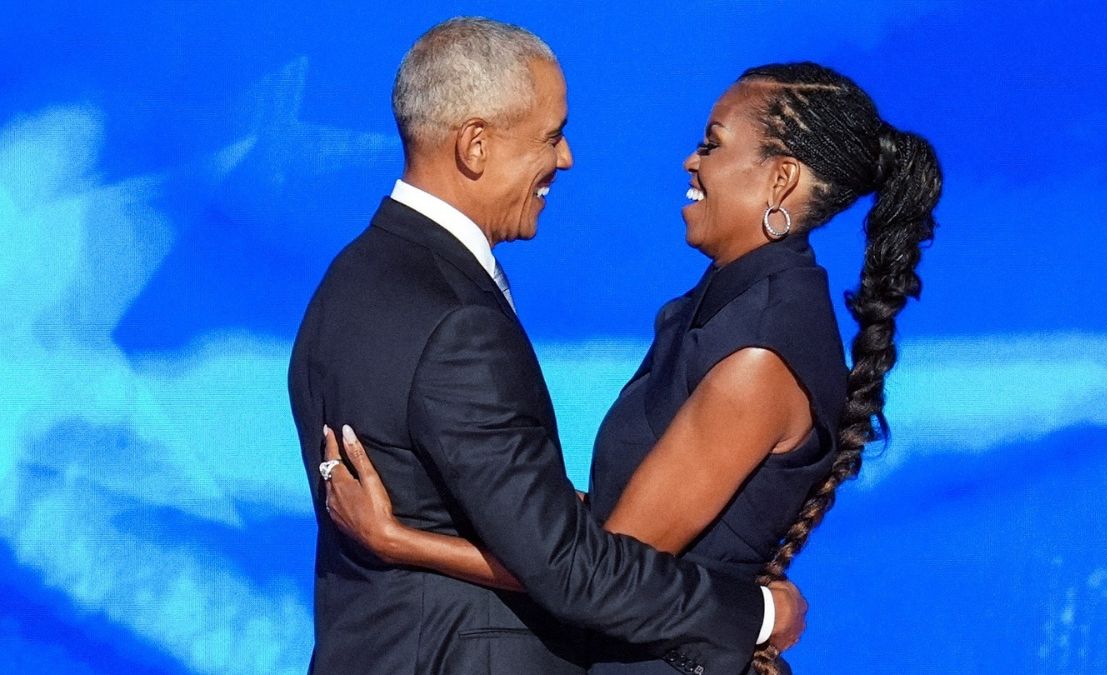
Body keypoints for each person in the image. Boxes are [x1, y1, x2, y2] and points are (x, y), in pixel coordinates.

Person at [322, 60, 943, 675]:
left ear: (780, 180)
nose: (691, 162)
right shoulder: (719, 312)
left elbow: (597, 573)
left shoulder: (759, 353)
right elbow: (604, 533)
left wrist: (396, 539)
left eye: (712, 145)